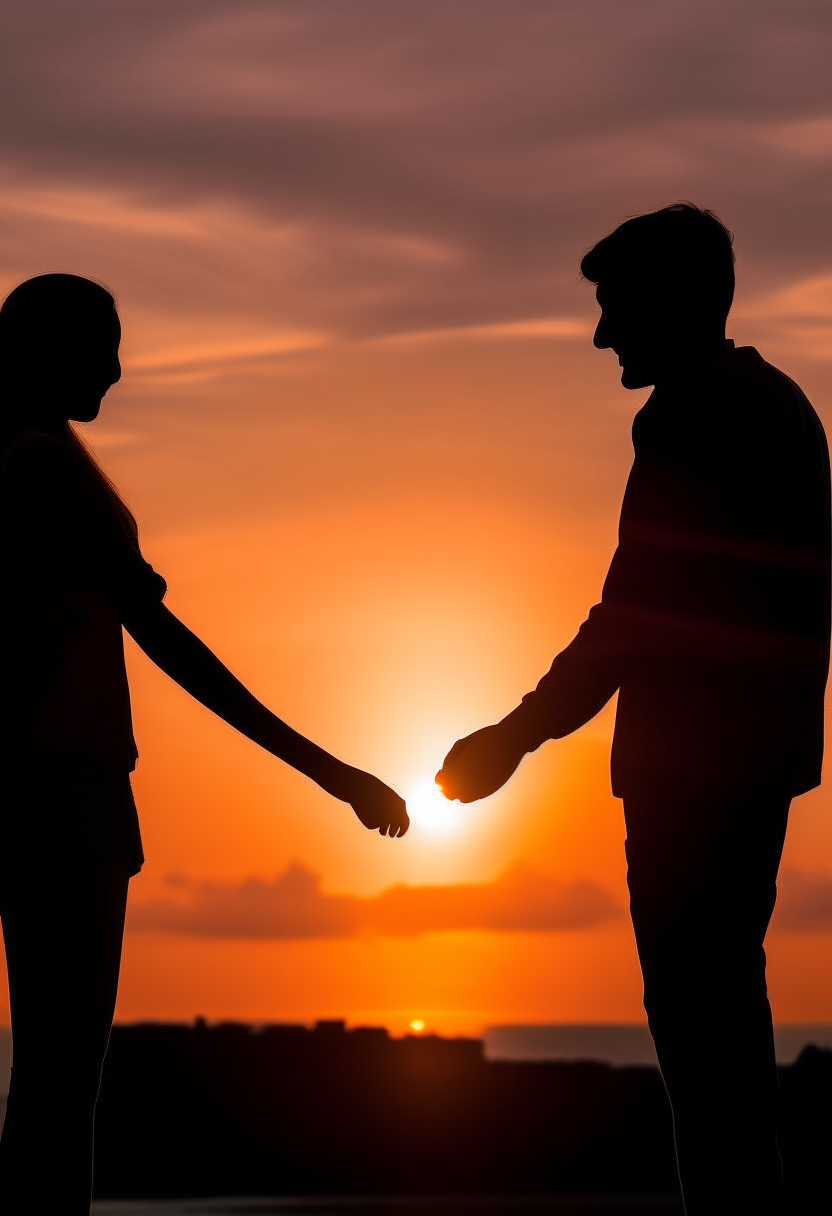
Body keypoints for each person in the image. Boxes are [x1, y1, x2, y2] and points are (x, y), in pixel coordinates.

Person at [437, 204, 831, 1215]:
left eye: (615, 308)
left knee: (699, 1030)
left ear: (670, 302)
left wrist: (513, 736)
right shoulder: (787, 406)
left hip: (690, 773)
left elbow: (632, 612)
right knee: (728, 1020)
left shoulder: (685, 414)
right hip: (761, 759)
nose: (603, 334)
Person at [0, 273, 409, 1214]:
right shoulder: (44, 469)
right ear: (49, 349)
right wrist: (334, 773)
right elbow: (173, 647)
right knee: (63, 1084)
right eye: (100, 345)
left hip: (45, 783)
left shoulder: (29, 457)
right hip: (66, 789)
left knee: (49, 1082)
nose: (115, 367)